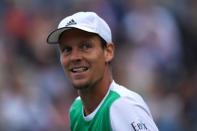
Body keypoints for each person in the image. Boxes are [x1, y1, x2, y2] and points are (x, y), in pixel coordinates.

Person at [47, 11, 159, 131]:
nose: (75, 57)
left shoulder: (122, 106)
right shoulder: (76, 109)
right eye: (67, 49)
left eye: (85, 46)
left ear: (108, 52)